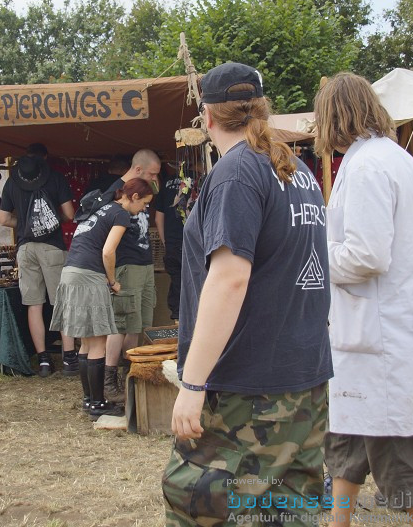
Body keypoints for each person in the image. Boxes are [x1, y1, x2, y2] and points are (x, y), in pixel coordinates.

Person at [163, 62, 332, 525]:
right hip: (302, 376)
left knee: (197, 501)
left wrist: (193, 383)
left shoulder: (237, 174)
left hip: (249, 385)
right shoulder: (295, 170)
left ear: (207, 118)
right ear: (261, 109)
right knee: (286, 509)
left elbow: (231, 279)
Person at [314, 73, 413, 525]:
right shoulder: (392, 158)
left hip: (383, 335)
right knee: (347, 439)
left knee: (400, 455)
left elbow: (367, 255)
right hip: (376, 328)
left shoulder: (370, 165)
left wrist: (313, 255)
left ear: (333, 117)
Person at [51, 177, 153, 419]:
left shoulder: (102, 207)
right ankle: (98, 403)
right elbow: (108, 251)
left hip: (70, 272)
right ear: (134, 197)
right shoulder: (121, 214)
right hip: (89, 275)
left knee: (86, 342)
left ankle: (90, 400)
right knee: (97, 341)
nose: (145, 209)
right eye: (145, 203)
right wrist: (112, 281)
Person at [0, 145, 76, 377]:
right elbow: (70, 214)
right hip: (51, 247)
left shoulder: (12, 182)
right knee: (61, 302)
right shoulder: (55, 178)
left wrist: (24, 225)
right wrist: (51, 222)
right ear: (44, 159)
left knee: (34, 304)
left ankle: (43, 360)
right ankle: (69, 358)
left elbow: (2, 218)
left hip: (25, 249)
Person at [98, 148, 161, 401]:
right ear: (137, 170)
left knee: (139, 324)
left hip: (145, 265)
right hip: (127, 265)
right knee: (121, 323)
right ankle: (109, 380)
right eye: (152, 174)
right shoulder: (114, 193)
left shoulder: (143, 190)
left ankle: (130, 377)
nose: (155, 180)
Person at [153, 162, 184, 322]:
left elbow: (158, 219)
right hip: (196, 245)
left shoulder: (166, 183)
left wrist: (167, 243)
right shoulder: (203, 179)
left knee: (177, 285)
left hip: (172, 244)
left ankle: (178, 329)